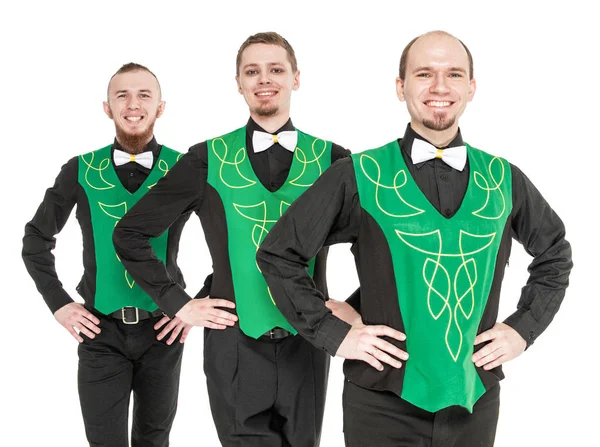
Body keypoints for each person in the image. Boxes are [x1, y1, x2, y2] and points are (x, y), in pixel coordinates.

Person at [257, 30, 573, 446]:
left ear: (471, 88)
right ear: (401, 87)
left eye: (454, 74)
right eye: (424, 73)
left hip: (475, 398)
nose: (440, 87)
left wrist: (523, 329)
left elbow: (555, 254)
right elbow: (280, 254)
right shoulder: (359, 174)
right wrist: (335, 332)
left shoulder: (505, 179)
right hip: (380, 401)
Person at [113, 32, 354, 446]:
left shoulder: (334, 160)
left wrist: (353, 307)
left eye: (276, 69)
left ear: (296, 78)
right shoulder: (207, 158)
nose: (265, 79)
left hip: (310, 345)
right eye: (252, 71)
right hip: (233, 345)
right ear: (238, 83)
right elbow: (130, 233)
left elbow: (380, 244)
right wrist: (178, 304)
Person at [22, 63, 191, 447]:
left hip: (162, 332)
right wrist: (59, 303)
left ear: (160, 107)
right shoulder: (80, 170)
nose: (134, 104)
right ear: (107, 107)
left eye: (144, 94)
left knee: (155, 440)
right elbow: (35, 239)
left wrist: (191, 304)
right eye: (122, 95)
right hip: (100, 333)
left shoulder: (185, 168)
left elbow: (229, 237)